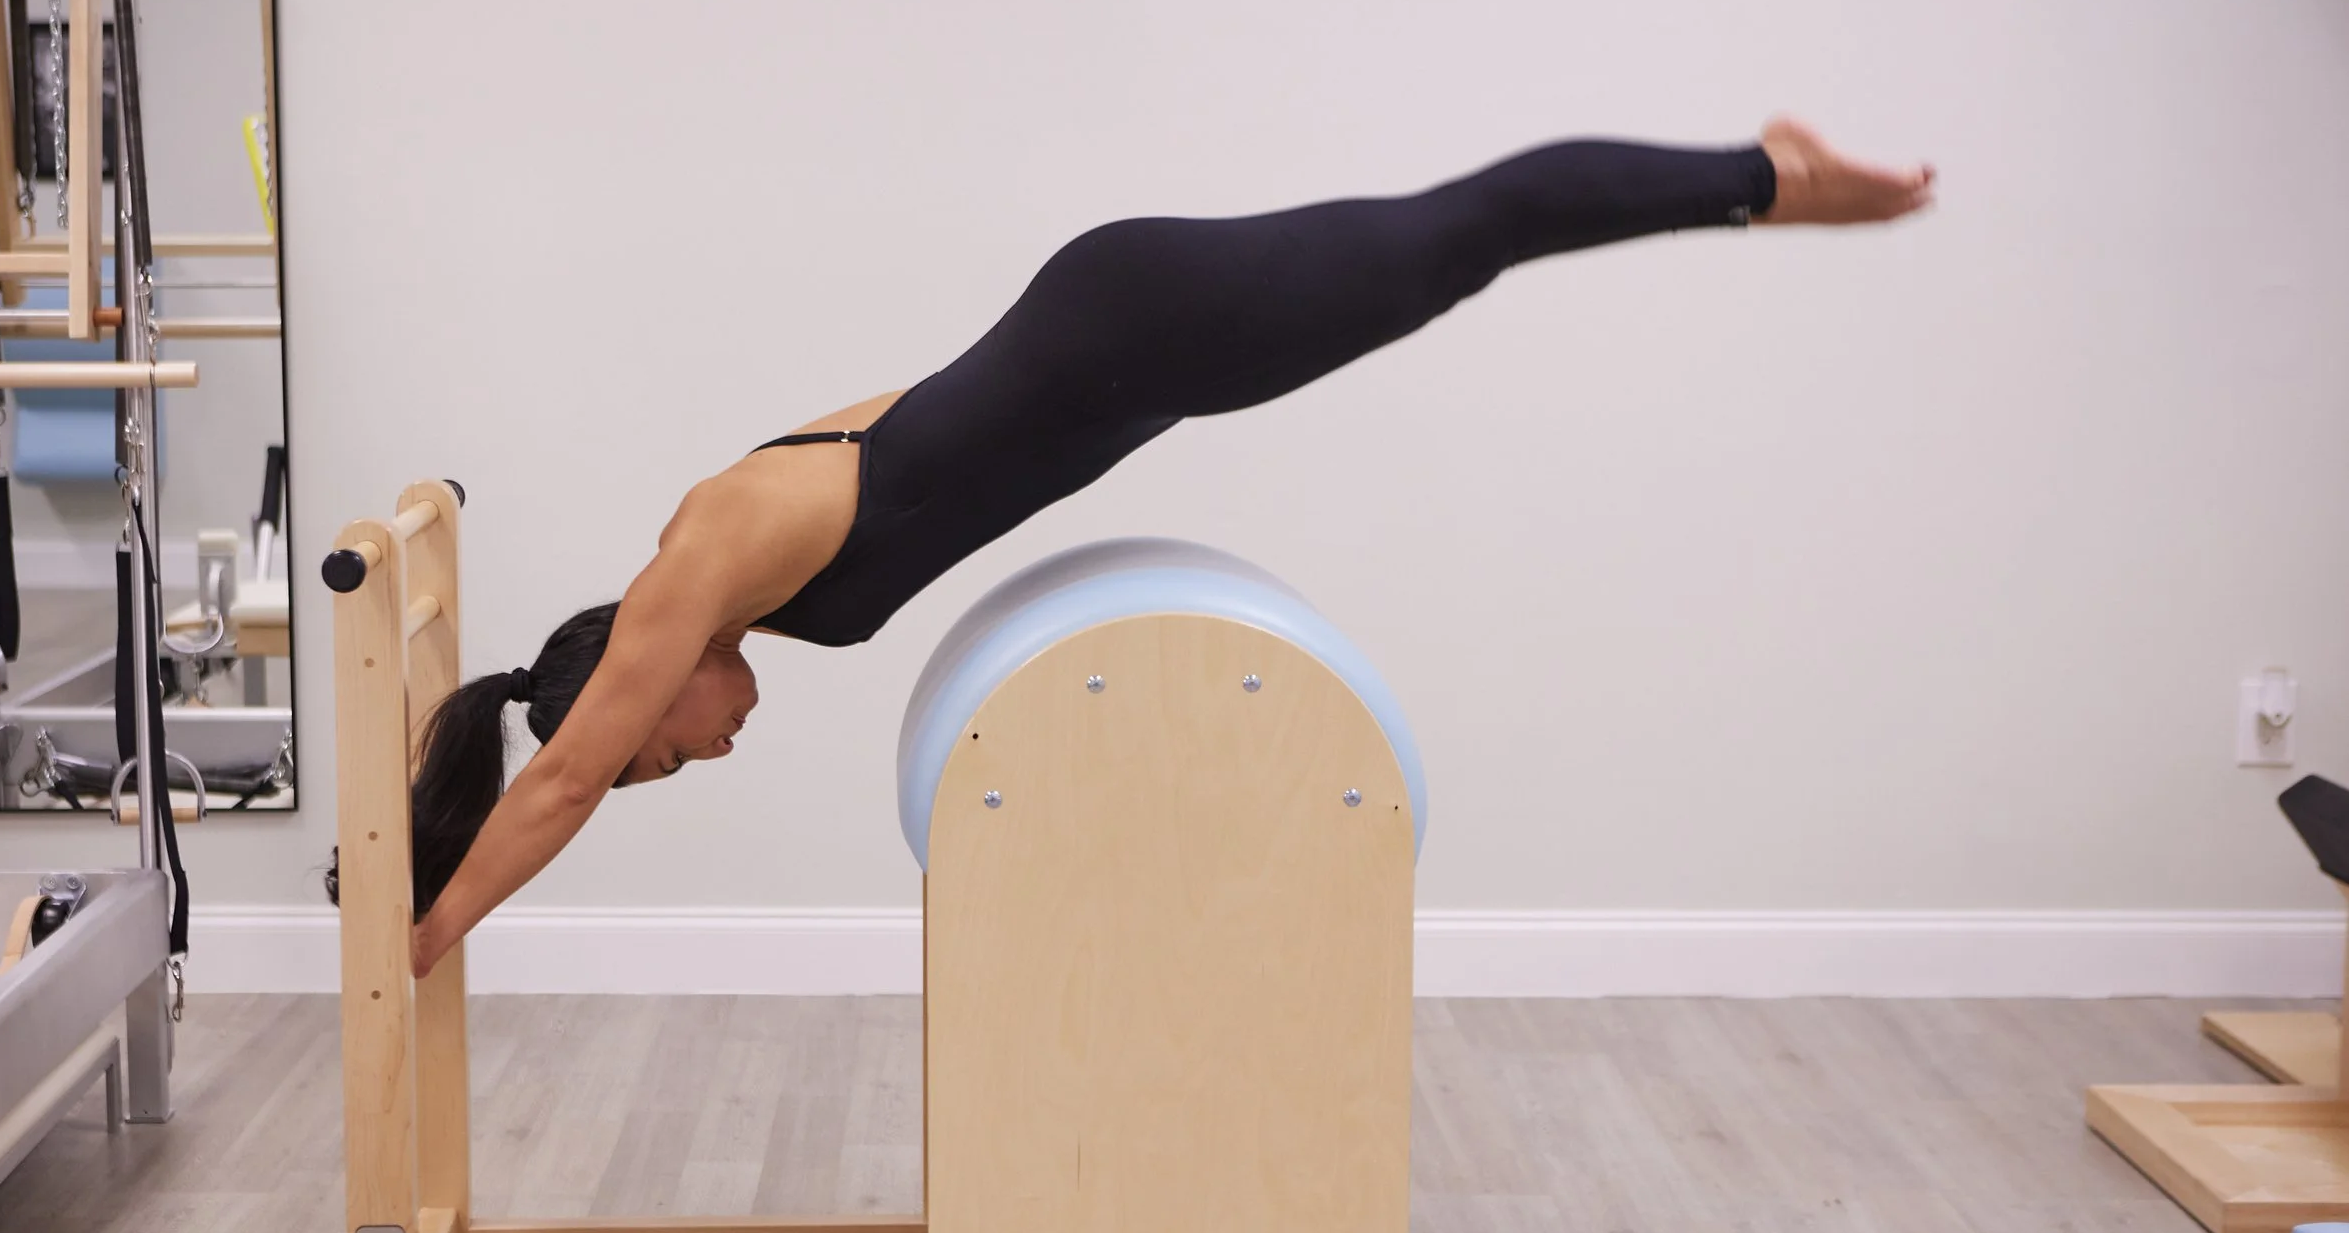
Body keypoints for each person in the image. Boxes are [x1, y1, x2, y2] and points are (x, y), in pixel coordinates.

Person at [388, 117, 1934, 977]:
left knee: (1463, 234)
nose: (707, 754)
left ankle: (1765, 175)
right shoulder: (743, 562)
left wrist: (435, 929)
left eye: (672, 752)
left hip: (1138, 329)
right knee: (1454, 250)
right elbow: (928, 416)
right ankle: (1757, 184)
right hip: (1129, 346)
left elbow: (565, 775)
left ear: (642, 682)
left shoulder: (700, 563)